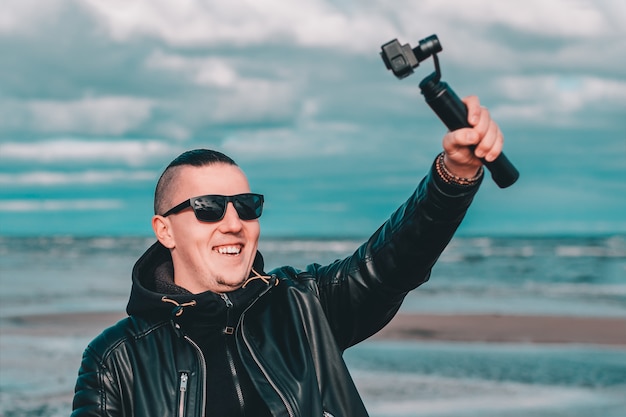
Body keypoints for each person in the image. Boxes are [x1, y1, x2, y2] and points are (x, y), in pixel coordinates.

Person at [72, 95, 503, 417]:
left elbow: (391, 265)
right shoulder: (115, 358)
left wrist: (453, 176)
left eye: (246, 205)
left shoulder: (302, 308)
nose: (233, 222)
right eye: (208, 207)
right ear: (164, 229)